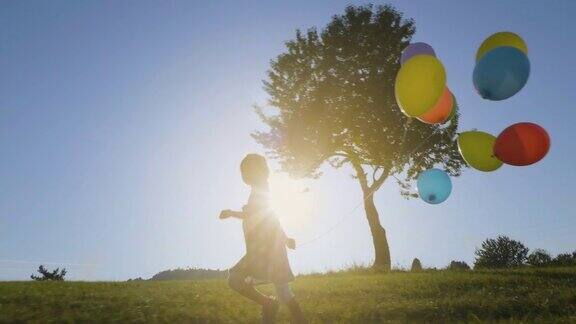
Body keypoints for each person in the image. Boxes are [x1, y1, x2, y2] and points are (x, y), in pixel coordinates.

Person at [220, 153, 307, 324]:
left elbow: (260, 214)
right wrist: (286, 238)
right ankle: (270, 305)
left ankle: (269, 304)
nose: (245, 175)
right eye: (243, 171)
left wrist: (231, 213)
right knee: (283, 292)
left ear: (261, 171)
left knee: (236, 278)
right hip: (266, 250)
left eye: (248, 170)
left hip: (266, 251)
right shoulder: (259, 190)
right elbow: (272, 218)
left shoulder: (261, 189)